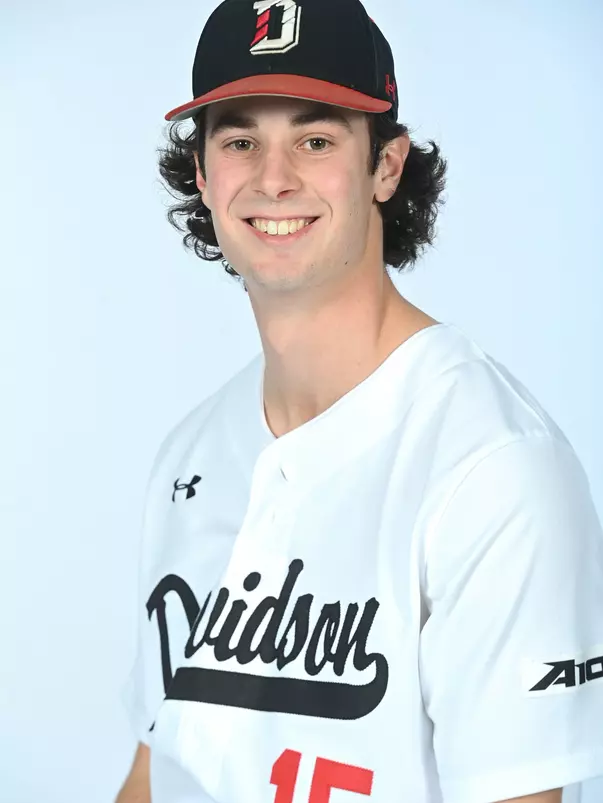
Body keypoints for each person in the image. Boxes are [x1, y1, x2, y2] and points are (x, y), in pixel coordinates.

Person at [116, 1, 603, 802]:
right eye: (239, 140)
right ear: (202, 173)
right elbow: (157, 763)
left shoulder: (492, 467)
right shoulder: (190, 451)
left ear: (385, 165)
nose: (273, 178)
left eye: (314, 139)